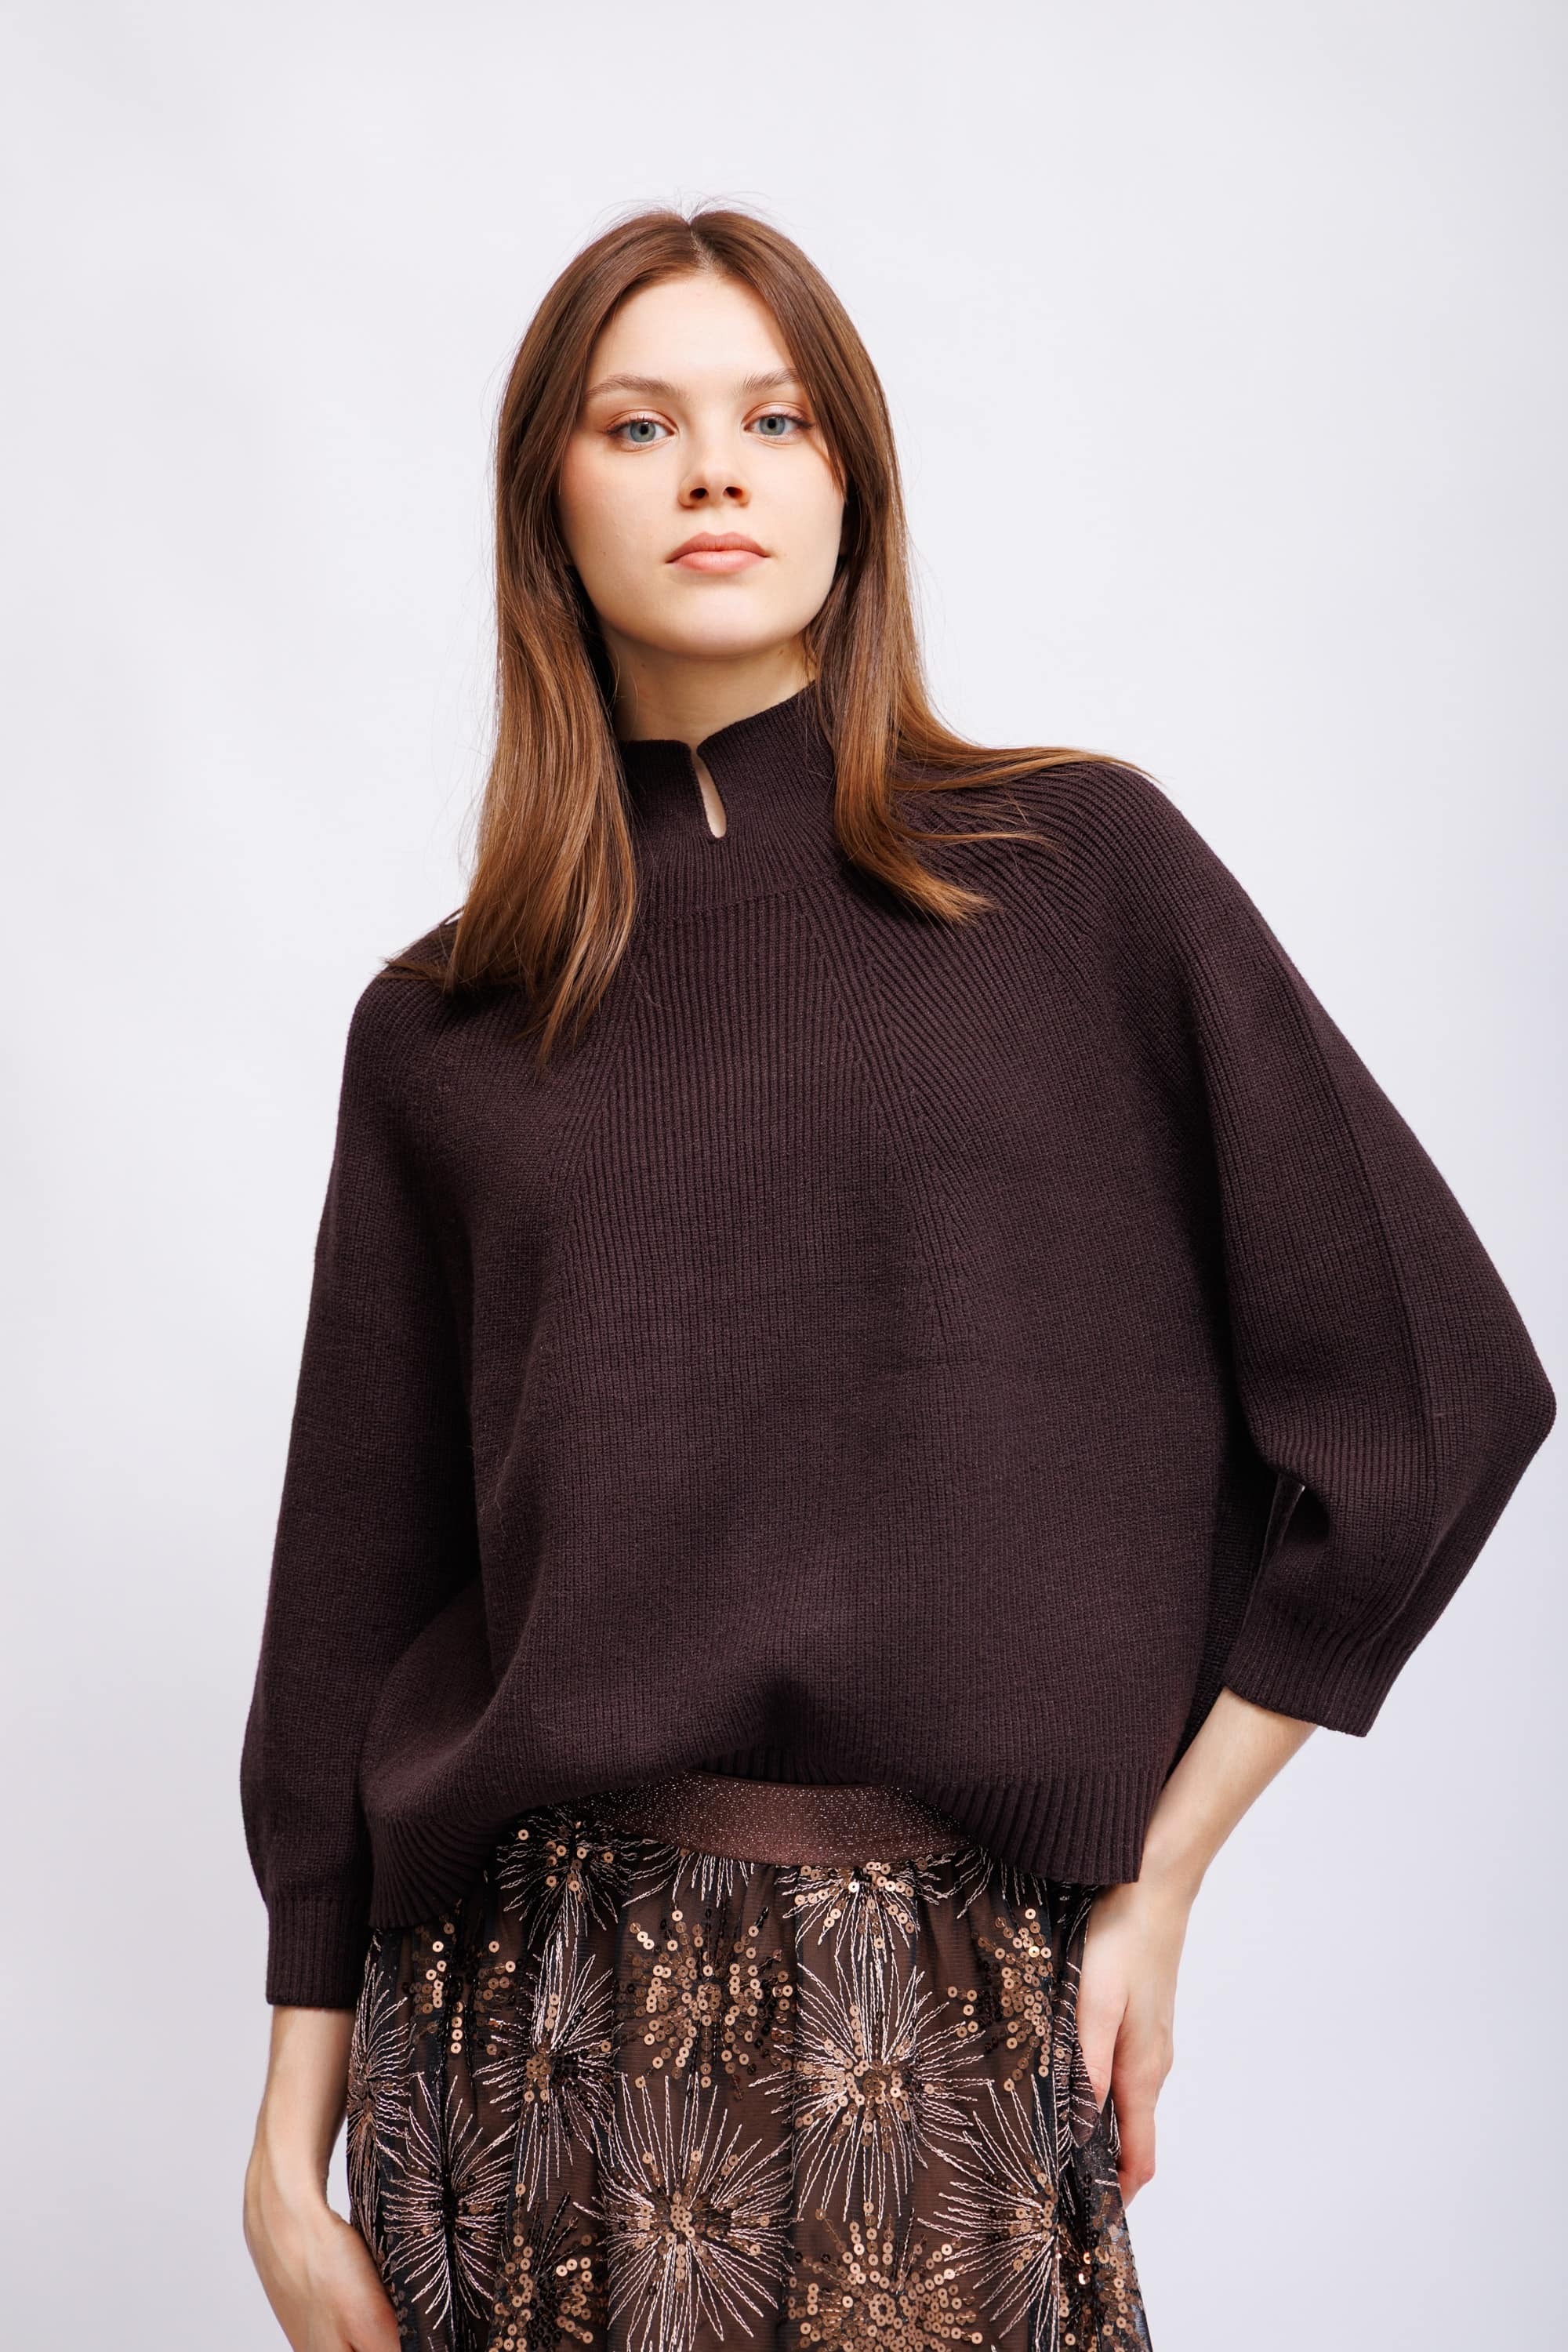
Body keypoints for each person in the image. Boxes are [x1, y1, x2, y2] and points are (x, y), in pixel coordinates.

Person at [238, 205, 1555, 2352]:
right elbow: (349, 1594)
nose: (715, 471)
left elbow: (1431, 1390)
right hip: (520, 2034)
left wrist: (1163, 1876)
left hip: (933, 2014)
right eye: (638, 424)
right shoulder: (446, 1027)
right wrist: (283, 2149)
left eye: (776, 419)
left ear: (853, 482)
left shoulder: (1076, 878)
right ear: (546, 502)